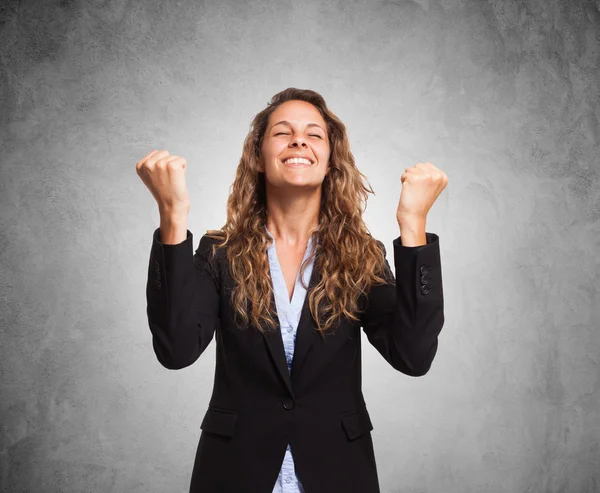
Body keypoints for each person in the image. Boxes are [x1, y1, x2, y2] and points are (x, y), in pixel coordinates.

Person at [136, 87, 448, 493]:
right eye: (282, 132)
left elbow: (413, 355)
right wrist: (172, 216)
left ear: (330, 160)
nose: (299, 140)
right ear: (260, 157)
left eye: (314, 134)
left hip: (337, 474)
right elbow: (176, 350)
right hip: (234, 473)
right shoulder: (219, 253)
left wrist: (413, 225)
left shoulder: (360, 255)